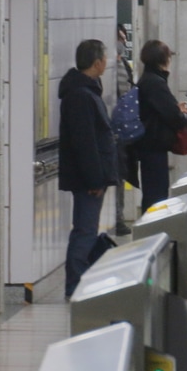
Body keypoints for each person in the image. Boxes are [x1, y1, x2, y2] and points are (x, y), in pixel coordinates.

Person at [58, 39, 118, 299]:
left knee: (86, 230)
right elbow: (86, 142)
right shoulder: (82, 95)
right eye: (105, 59)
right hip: (88, 180)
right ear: (97, 63)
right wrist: (95, 179)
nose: (107, 63)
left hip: (91, 177)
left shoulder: (85, 91)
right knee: (84, 231)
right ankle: (75, 287)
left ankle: (81, 282)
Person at [134, 39, 187, 212]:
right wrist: (180, 113)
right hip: (153, 146)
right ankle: (152, 235)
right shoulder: (155, 82)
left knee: (153, 193)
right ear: (163, 60)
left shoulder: (148, 79)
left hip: (149, 145)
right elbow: (173, 116)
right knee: (156, 196)